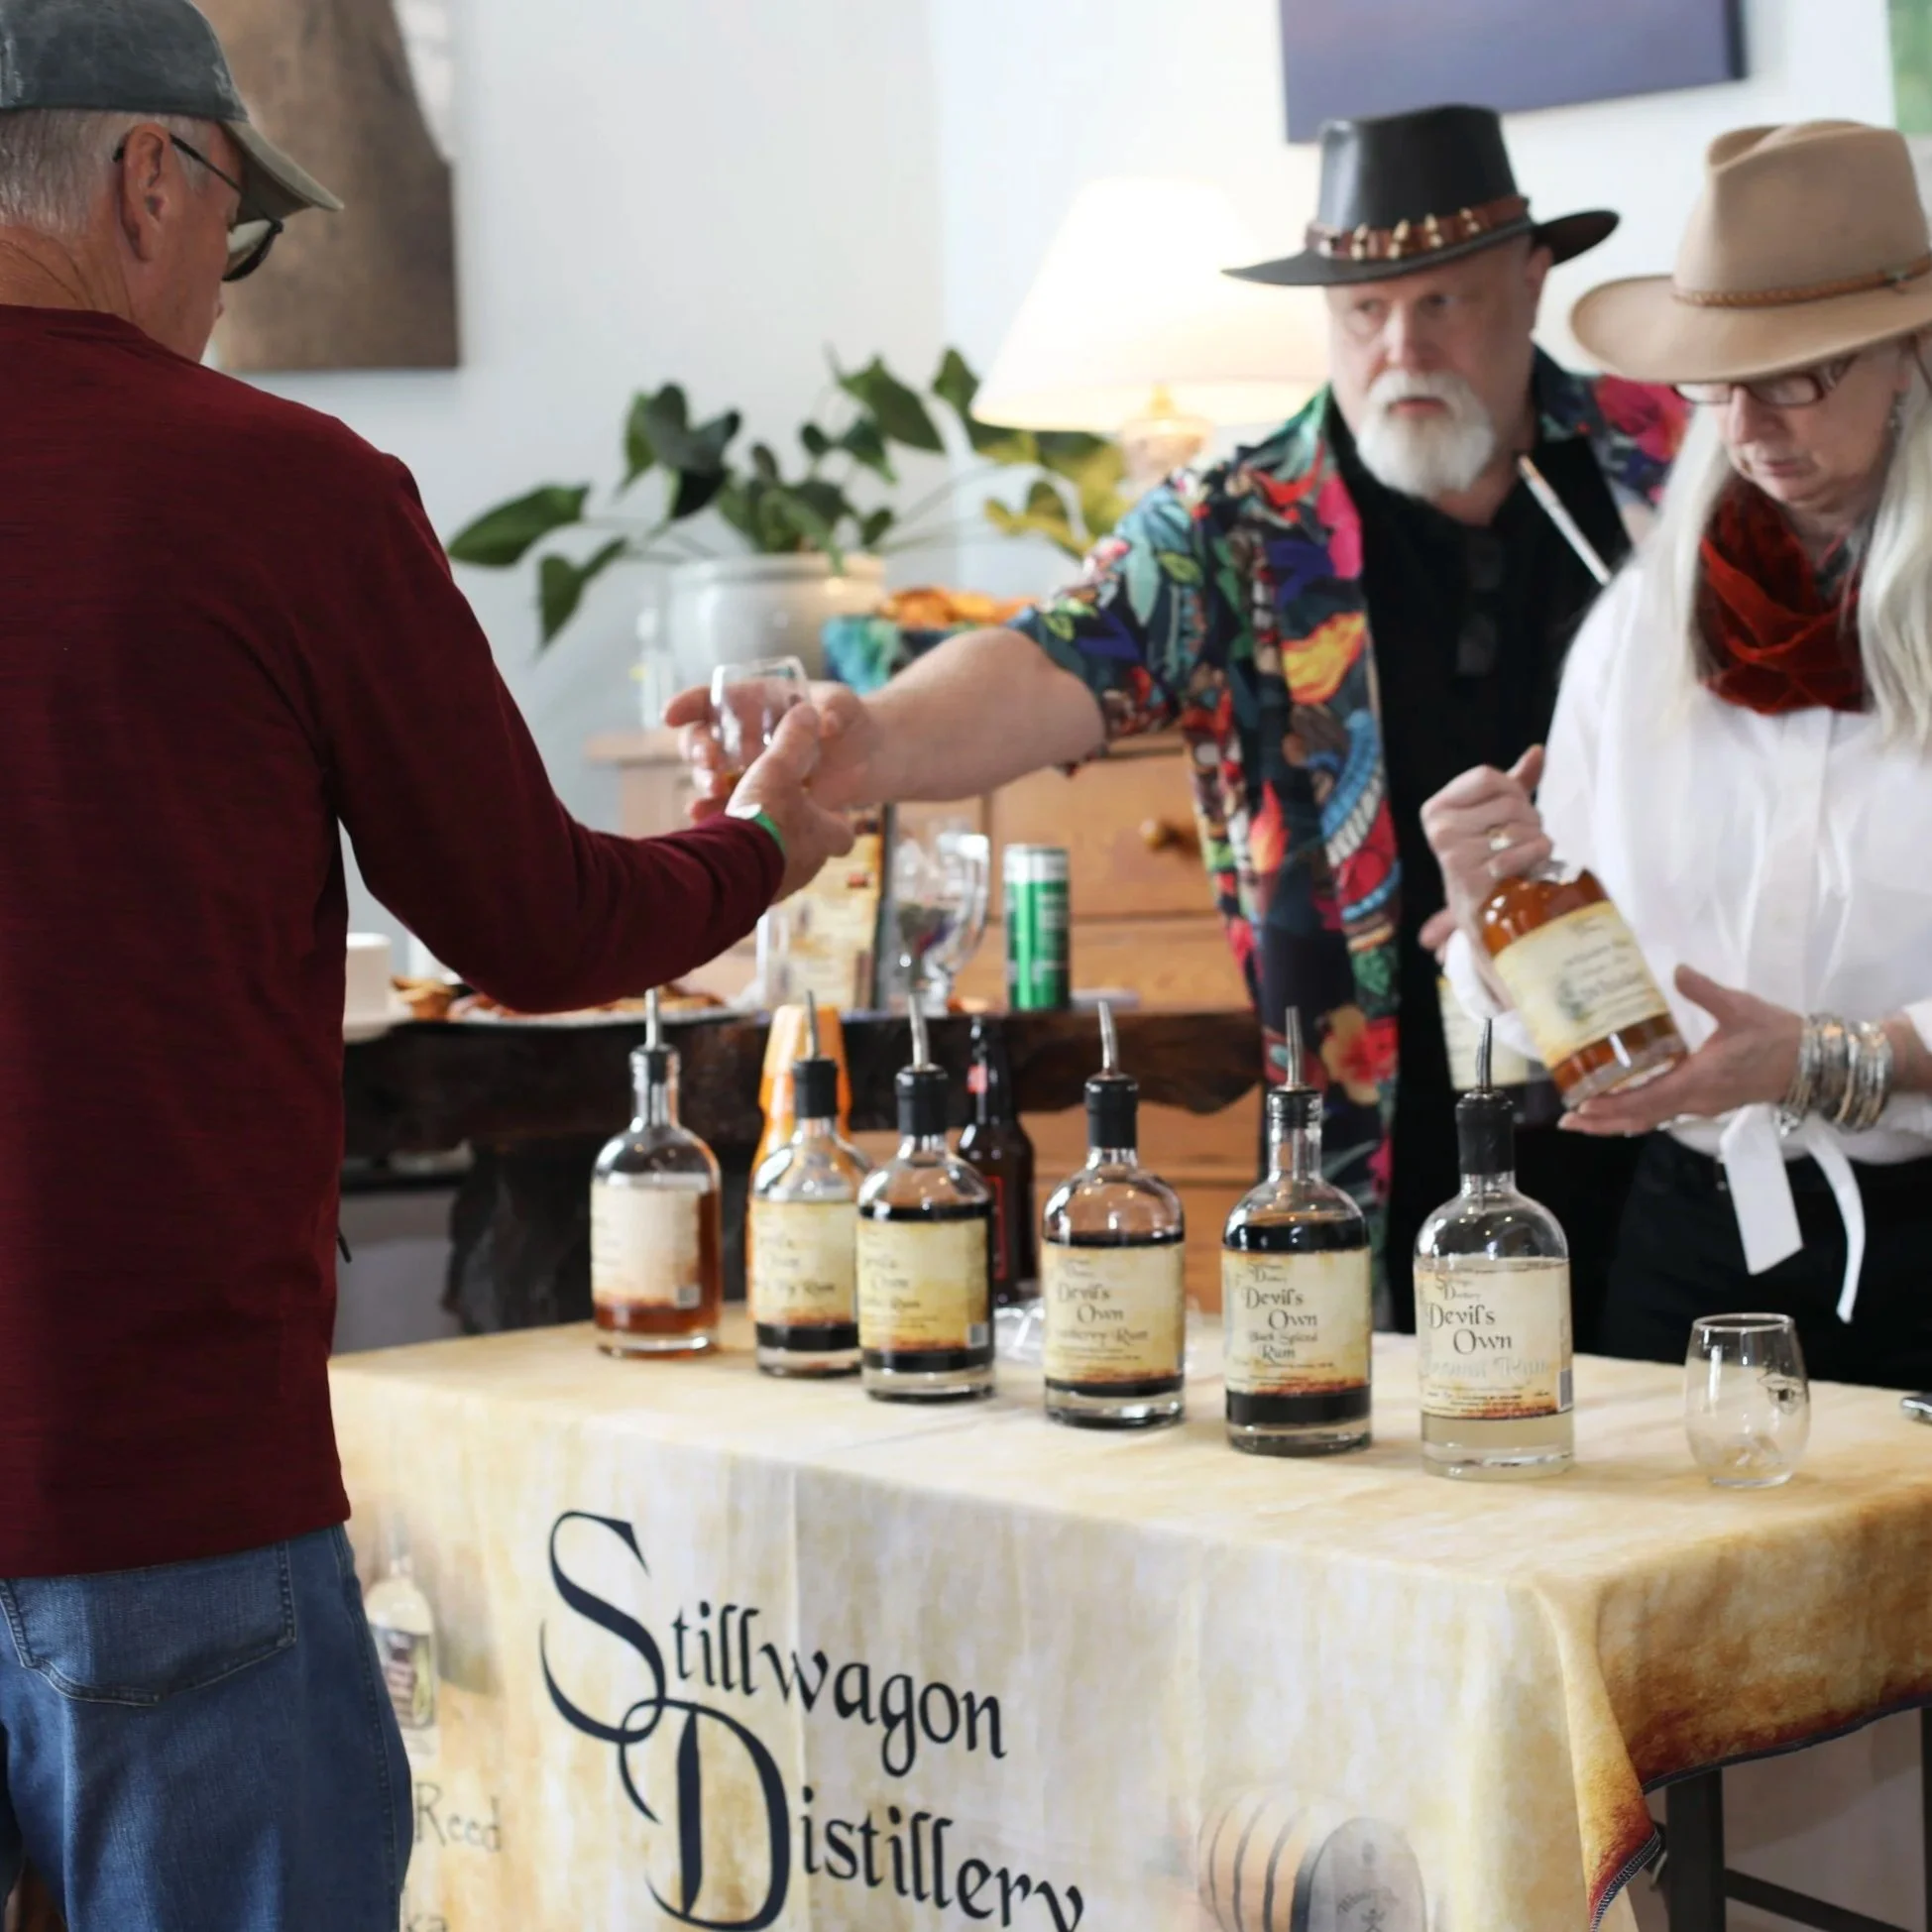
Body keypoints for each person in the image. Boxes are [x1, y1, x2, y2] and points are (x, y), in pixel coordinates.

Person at [0, 2, 850, 1926]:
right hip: (150, 1481)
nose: (223, 282)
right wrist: (770, 836)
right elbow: (532, 924)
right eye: (236, 222)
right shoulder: (273, 485)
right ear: (152, 175)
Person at [673, 103, 1685, 1336]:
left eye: (1443, 303)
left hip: (1690, 1101)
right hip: (1378, 1128)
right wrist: (865, 738)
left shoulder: (1673, 463)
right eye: (1362, 313)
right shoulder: (1239, 521)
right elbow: (1048, 659)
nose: (1399, 347)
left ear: (1530, 285)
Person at [1425, 121, 1932, 1388]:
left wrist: (1832, 1059)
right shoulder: (1645, 628)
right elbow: (1567, 994)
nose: (1748, 422)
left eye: (1798, 373)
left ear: (1912, 357)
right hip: (1692, 1237)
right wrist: (1494, 919)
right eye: (1719, 377)